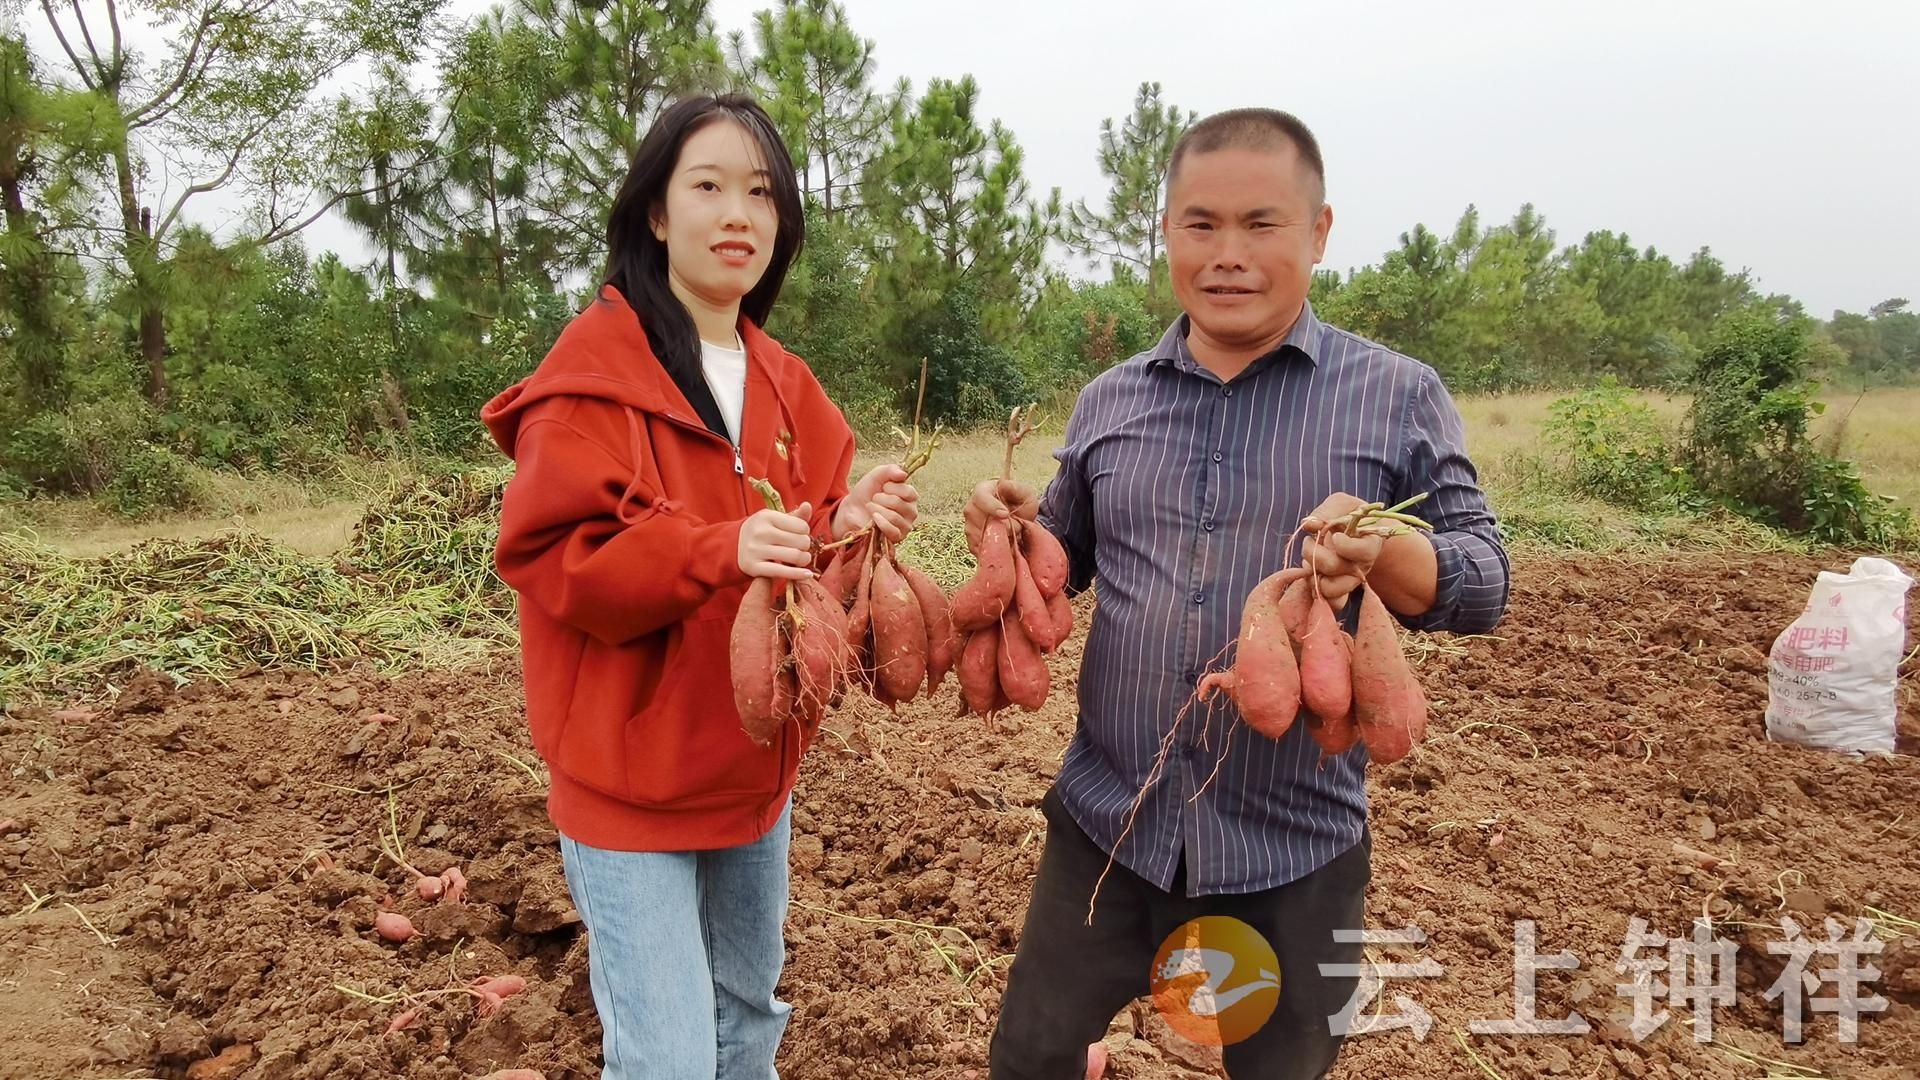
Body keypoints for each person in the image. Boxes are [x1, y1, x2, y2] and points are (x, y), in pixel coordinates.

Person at [971, 108, 1511, 1080]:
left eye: (1261, 224)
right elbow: (1072, 555)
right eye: (1200, 224)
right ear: (1167, 232)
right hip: (1106, 828)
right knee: (1032, 1060)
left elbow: (1485, 578)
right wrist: (1013, 532)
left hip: (1290, 853)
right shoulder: (1110, 401)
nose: (1228, 254)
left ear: (1318, 232)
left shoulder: (1395, 394)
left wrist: (1383, 547)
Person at [481, 93, 918, 1079]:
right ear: (654, 211)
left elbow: (809, 556)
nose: (738, 215)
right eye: (708, 186)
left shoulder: (792, 387)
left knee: (748, 1025)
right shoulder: (592, 377)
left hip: (752, 776)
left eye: (760, 193)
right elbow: (561, 559)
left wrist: (852, 531)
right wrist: (714, 549)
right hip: (629, 787)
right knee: (671, 1060)